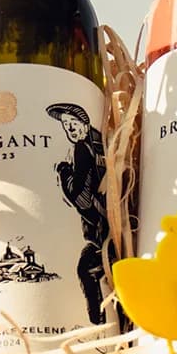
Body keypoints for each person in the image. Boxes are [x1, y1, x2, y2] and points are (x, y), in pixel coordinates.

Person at [48, 102, 109, 324]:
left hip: (101, 232)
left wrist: (64, 172)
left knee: (86, 270)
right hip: (111, 228)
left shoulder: (82, 148)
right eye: (66, 124)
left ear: (84, 123)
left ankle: (97, 325)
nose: (70, 128)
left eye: (74, 122)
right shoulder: (99, 142)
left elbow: (81, 199)